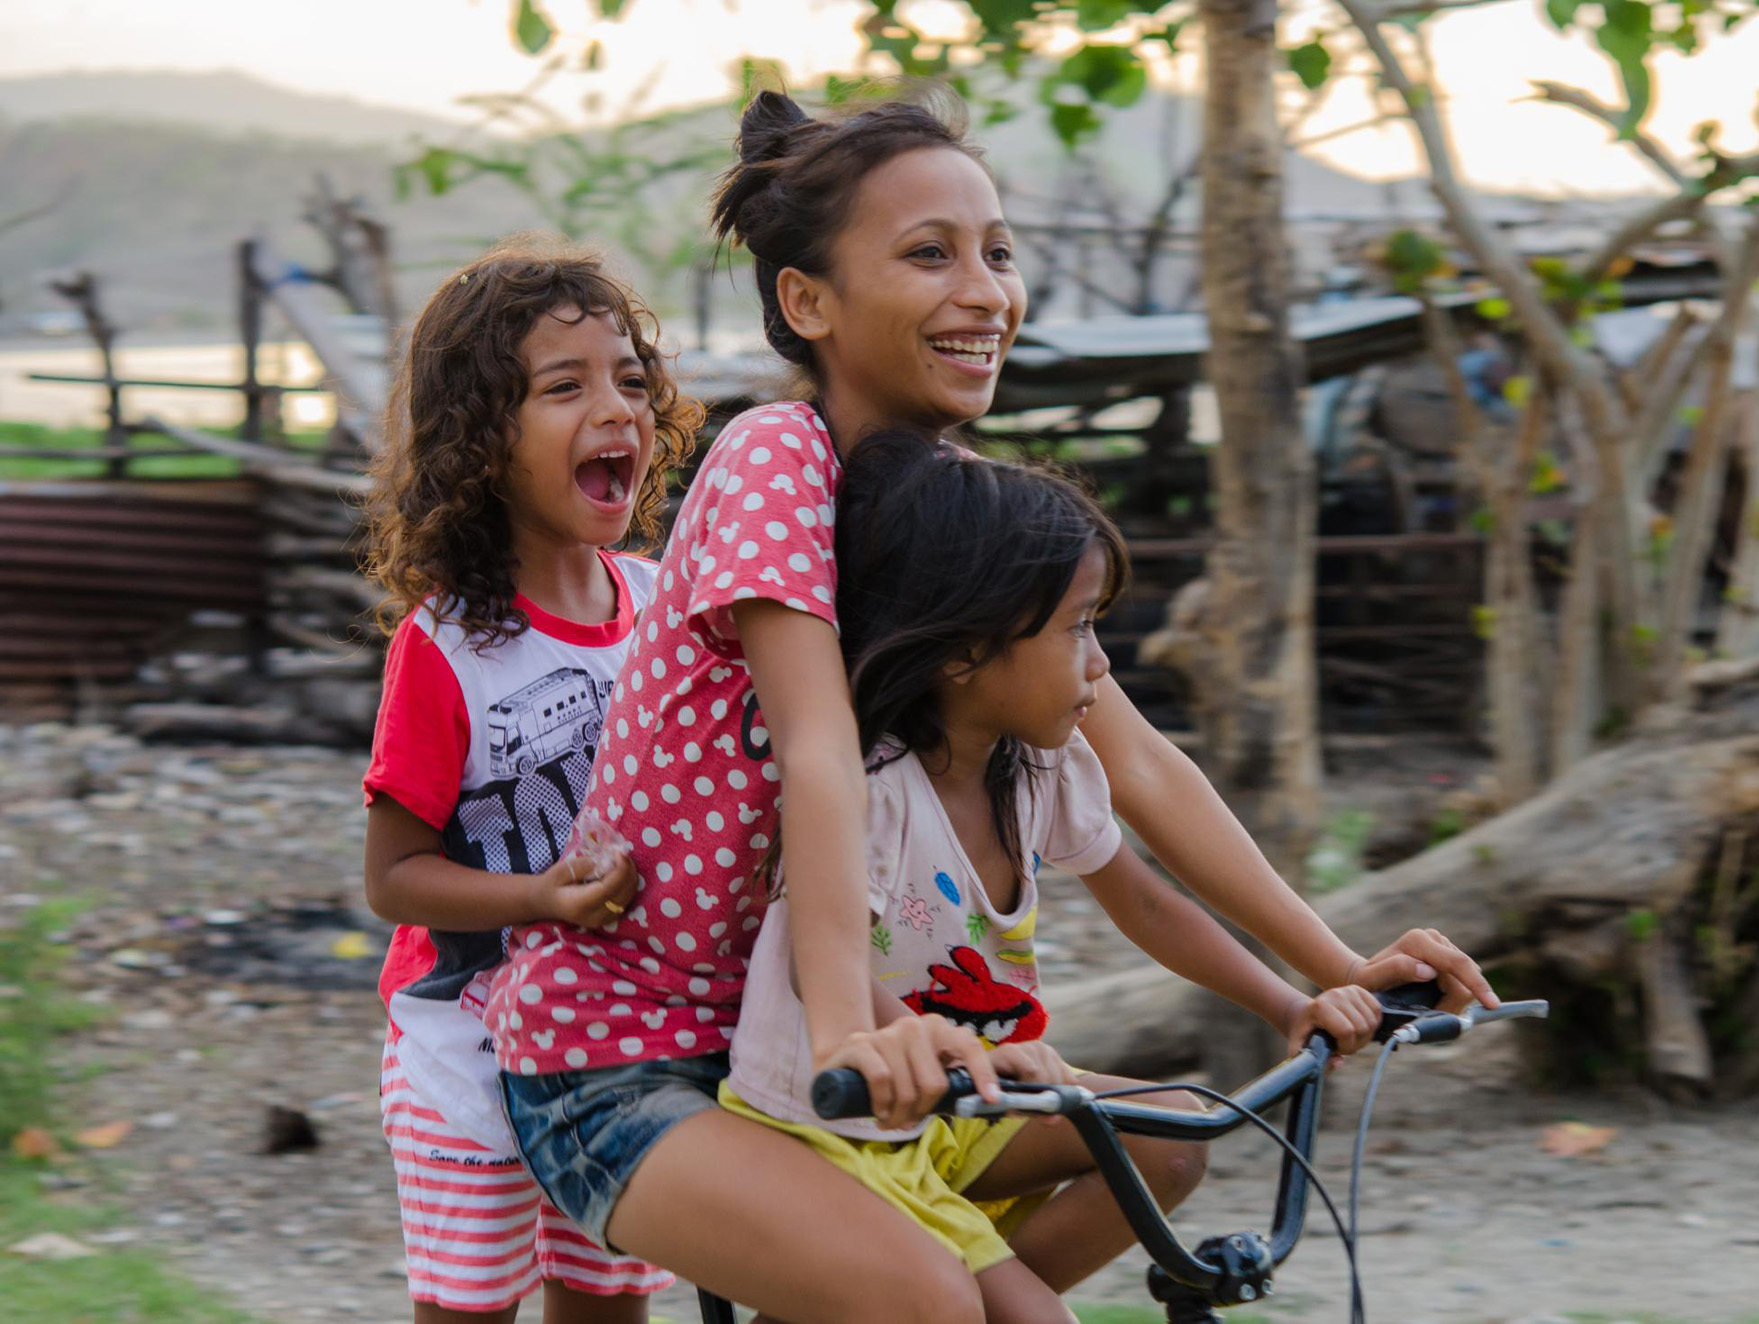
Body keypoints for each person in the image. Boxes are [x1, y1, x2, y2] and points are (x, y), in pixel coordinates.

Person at [482, 90, 1496, 1324]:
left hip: (814, 1038)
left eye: (997, 252)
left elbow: (1139, 763)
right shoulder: (775, 461)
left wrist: (1337, 965)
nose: (985, 291)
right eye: (928, 254)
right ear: (807, 302)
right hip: (629, 1054)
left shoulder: (955, 500)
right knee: (929, 1304)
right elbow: (813, 748)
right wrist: (853, 1027)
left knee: (1155, 1147)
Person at [721, 430, 1390, 1323]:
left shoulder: (1041, 766)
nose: (1102, 663)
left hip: (970, 1103)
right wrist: (959, 1050)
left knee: (1173, 1137)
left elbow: (1148, 902)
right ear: (963, 653)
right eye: (1077, 628)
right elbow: (818, 966)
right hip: (841, 1126)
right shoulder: (873, 793)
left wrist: (1289, 1003)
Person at [360, 238, 701, 1323]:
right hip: (465, 1061)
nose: (616, 410)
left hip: (620, 1055)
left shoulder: (663, 608)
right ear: (482, 441)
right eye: (565, 387)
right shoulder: (448, 646)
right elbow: (396, 878)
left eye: (631, 382)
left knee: (607, 1308)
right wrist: (535, 896)